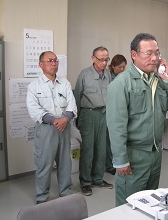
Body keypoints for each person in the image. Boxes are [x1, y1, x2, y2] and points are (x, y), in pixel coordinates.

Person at [106, 33, 168, 206]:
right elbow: (116, 125)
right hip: (134, 156)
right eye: (149, 53)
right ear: (134, 55)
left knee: (149, 204)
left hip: (155, 153)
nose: (154, 58)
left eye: (157, 53)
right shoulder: (121, 84)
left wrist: (167, 79)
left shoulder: (158, 80)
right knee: (129, 207)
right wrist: (121, 160)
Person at [26, 51, 77, 204]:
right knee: (44, 164)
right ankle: (42, 197)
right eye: (50, 61)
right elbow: (34, 110)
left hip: (64, 128)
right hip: (46, 130)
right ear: (41, 64)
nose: (54, 63)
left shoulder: (65, 83)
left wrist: (65, 119)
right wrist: (56, 120)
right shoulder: (34, 86)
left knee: (65, 164)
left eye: (55, 61)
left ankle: (66, 192)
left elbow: (72, 106)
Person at [74, 46, 113, 196]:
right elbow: (77, 96)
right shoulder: (84, 74)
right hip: (88, 114)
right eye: (101, 59)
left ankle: (98, 178)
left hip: (103, 114)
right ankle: (85, 182)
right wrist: (77, 119)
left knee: (101, 149)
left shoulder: (108, 74)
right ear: (93, 58)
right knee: (88, 150)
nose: (104, 62)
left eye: (106, 59)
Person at [105, 54, 128, 175]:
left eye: (124, 67)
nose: (122, 70)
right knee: (109, 142)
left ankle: (112, 164)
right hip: (106, 112)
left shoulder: (124, 79)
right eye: (120, 67)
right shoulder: (109, 77)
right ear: (113, 66)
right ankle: (109, 165)